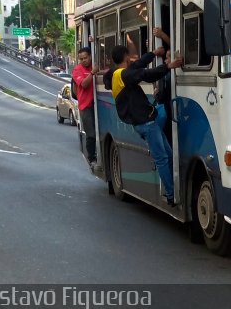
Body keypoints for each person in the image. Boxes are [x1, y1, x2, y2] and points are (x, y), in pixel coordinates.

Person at [103, 44, 182, 205]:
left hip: (145, 122)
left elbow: (138, 66)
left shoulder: (115, 74)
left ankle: (173, 187)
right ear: (126, 57)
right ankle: (171, 194)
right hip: (146, 123)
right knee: (162, 158)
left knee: (167, 153)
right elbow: (147, 74)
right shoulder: (124, 75)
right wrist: (169, 66)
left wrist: (153, 54)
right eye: (130, 58)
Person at [72, 47, 99, 166]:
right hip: (85, 106)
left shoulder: (95, 65)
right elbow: (83, 84)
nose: (84, 60)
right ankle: (91, 158)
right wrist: (92, 73)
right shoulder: (77, 70)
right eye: (81, 59)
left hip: (98, 104)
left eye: (85, 58)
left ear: (90, 56)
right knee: (91, 134)